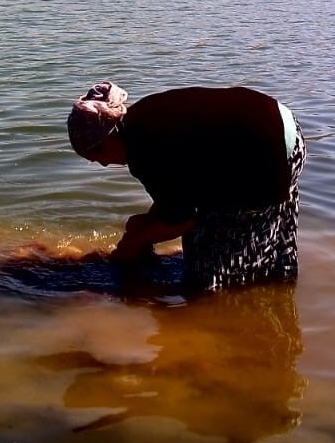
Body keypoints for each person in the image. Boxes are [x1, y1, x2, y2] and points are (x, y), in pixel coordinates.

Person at [66, 82, 304, 291]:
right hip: (285, 129)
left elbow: (183, 220)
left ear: (106, 140)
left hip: (266, 155)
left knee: (205, 273)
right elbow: (176, 196)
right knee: (263, 240)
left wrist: (136, 242)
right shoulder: (139, 120)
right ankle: (277, 285)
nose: (105, 164)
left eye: (98, 157)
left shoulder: (146, 152)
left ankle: (237, 305)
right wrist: (146, 225)